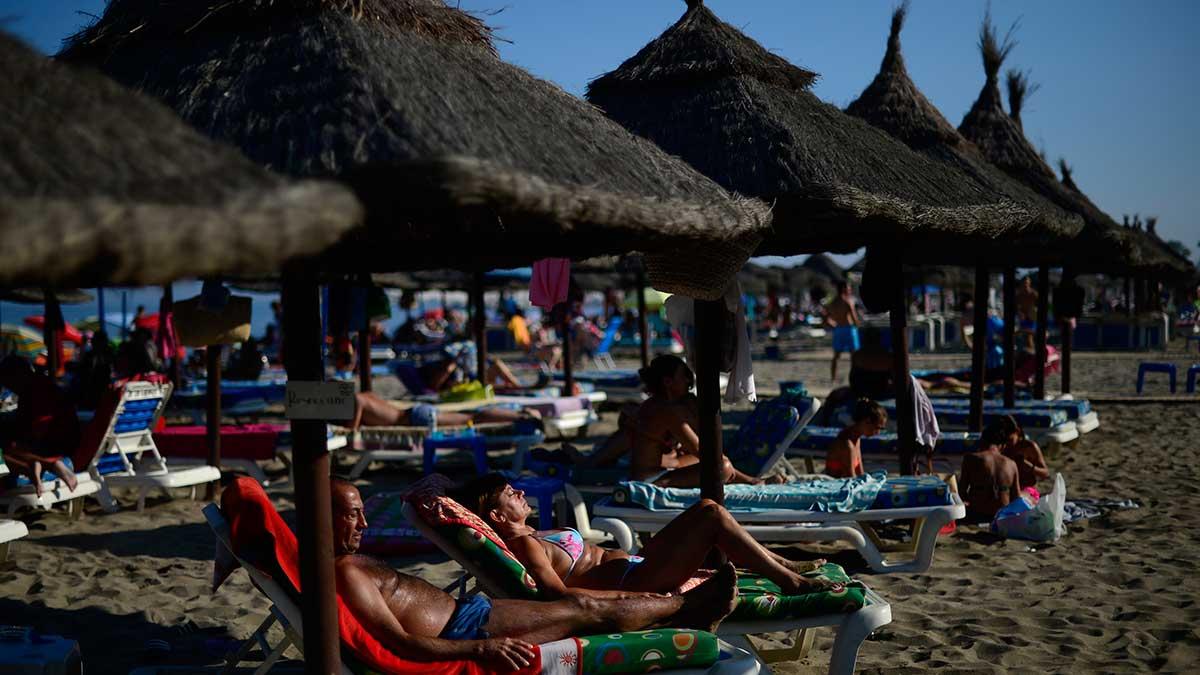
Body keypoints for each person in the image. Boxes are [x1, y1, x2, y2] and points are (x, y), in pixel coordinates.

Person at [330, 480, 738, 670]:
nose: (364, 523)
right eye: (353, 514)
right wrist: (480, 651)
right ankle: (686, 608)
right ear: (324, 516)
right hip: (465, 630)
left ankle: (679, 608)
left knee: (580, 606)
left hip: (471, 613)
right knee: (582, 609)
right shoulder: (347, 571)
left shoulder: (352, 562)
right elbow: (398, 642)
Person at [458, 474, 831, 600]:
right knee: (711, 514)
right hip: (637, 580)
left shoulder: (534, 533)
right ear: (496, 515)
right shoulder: (524, 544)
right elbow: (557, 593)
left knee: (706, 507)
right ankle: (789, 579)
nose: (521, 494)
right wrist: (627, 599)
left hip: (638, 565)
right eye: (511, 494)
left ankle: (783, 565)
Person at [629, 355, 768, 487]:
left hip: (650, 471)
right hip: (650, 478)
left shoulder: (655, 403)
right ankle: (751, 481)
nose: (688, 381)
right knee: (722, 466)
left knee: (715, 460)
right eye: (684, 377)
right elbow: (704, 452)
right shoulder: (667, 411)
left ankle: (749, 480)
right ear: (667, 382)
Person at [0, 356, 80, 496]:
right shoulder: (42, 384)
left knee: (6, 450)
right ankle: (44, 464)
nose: (9, 386)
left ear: (17, 376)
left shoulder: (33, 391)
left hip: (54, 446)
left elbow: (36, 428)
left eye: (8, 382)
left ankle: (42, 465)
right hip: (65, 441)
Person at [349, 391, 537, 430]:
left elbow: (352, 430)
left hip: (416, 418)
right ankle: (519, 414)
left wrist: (351, 426)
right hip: (413, 412)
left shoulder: (358, 400)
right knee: (472, 416)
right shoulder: (366, 395)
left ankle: (520, 416)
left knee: (472, 418)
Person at [959, 419, 1021, 520]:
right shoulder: (1012, 464)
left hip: (977, 512)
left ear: (982, 440)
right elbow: (1017, 498)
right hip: (1002, 515)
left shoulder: (971, 458)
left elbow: (961, 492)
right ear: (1002, 445)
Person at [825, 399, 887, 478]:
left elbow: (860, 473)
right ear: (867, 421)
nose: (878, 432)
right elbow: (851, 478)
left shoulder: (856, 438)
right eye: (877, 428)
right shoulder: (846, 444)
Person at [988, 415, 1049, 490]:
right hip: (1007, 489)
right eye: (1004, 441)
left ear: (1017, 431)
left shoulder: (1028, 447)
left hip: (1027, 489)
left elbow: (1045, 473)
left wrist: (1030, 467)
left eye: (1010, 440)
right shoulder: (1001, 447)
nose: (1007, 444)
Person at [825, 282, 860, 383]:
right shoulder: (848, 301)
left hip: (838, 329)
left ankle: (833, 377)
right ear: (844, 289)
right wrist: (858, 325)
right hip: (849, 329)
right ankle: (854, 377)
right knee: (854, 356)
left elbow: (826, 319)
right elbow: (854, 318)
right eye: (848, 288)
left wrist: (834, 324)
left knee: (836, 356)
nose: (850, 290)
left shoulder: (832, 302)